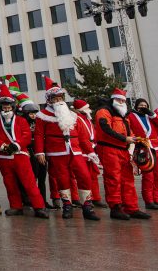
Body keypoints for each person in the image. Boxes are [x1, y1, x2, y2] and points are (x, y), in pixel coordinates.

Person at [33, 78, 98, 220]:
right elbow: (38, 135)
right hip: (57, 152)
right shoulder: (42, 115)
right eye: (55, 98)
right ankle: (67, 205)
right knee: (62, 179)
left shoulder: (73, 115)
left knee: (84, 176)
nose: (58, 101)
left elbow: (82, 137)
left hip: (75, 150)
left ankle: (87, 206)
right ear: (49, 100)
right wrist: (40, 152)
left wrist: (90, 152)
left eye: (60, 97)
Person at [0, 85, 48, 218]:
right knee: (10, 184)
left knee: (29, 182)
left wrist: (16, 145)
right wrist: (2, 146)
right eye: (4, 106)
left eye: (8, 106)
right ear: (1, 107)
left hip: (20, 156)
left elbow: (26, 135)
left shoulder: (21, 120)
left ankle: (39, 206)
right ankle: (16, 206)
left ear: (13, 106)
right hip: (4, 158)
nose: (6, 108)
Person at [94, 88, 149, 220]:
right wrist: (125, 139)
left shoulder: (123, 115)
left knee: (128, 179)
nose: (121, 101)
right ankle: (115, 207)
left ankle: (131, 207)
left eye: (123, 100)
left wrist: (135, 139)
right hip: (109, 149)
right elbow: (105, 129)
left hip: (122, 150)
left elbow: (127, 131)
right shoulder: (104, 112)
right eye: (119, 99)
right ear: (113, 99)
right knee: (113, 179)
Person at [128, 97, 158, 210]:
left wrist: (152, 114)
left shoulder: (150, 117)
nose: (143, 107)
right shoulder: (131, 116)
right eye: (140, 105)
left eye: (145, 106)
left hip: (157, 149)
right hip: (143, 149)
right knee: (148, 176)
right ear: (136, 106)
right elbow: (129, 130)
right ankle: (149, 201)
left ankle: (156, 199)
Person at [73, 99, 106, 208]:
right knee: (83, 176)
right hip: (82, 152)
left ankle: (96, 197)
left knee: (93, 176)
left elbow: (93, 134)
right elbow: (81, 137)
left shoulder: (87, 119)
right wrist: (89, 150)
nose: (89, 110)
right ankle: (86, 199)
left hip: (91, 149)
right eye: (86, 108)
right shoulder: (77, 119)